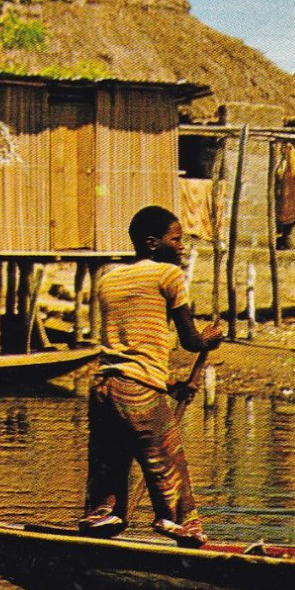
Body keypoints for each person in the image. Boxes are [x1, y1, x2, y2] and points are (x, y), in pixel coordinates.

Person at [79, 205, 223, 547]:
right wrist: (210, 339)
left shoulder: (108, 277)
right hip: (138, 390)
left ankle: (103, 514)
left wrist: (171, 385)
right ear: (152, 244)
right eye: (176, 239)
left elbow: (127, 349)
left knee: (109, 459)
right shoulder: (169, 276)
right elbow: (191, 341)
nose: (183, 247)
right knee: (167, 456)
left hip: (104, 387)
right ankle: (177, 522)